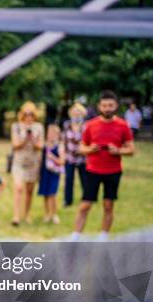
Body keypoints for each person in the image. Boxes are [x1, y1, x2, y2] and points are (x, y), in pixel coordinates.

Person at [71, 90, 135, 241]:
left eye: (110, 105)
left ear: (116, 106)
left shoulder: (123, 125)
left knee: (108, 205)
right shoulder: (91, 125)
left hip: (113, 171)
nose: (107, 108)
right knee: (85, 205)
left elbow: (131, 149)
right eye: (104, 105)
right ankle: (75, 237)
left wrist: (118, 150)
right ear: (99, 106)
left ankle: (103, 237)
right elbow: (80, 148)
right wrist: (89, 149)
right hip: (92, 171)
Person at [10, 101, 44, 226]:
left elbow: (40, 146)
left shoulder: (39, 127)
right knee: (18, 188)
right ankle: (16, 216)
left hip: (33, 163)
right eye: (26, 113)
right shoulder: (16, 126)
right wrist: (24, 140)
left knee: (29, 191)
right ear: (22, 114)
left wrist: (34, 141)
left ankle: (27, 214)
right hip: (19, 162)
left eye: (31, 113)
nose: (28, 116)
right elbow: (15, 145)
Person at [38, 124, 65, 224]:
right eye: (49, 133)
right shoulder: (45, 146)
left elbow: (62, 161)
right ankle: (47, 214)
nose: (51, 135)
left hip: (54, 173)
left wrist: (53, 157)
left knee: (52, 194)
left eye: (54, 133)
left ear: (58, 135)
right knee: (45, 194)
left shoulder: (59, 146)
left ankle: (54, 214)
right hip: (44, 173)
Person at [63, 103, 87, 207]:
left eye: (78, 112)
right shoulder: (67, 124)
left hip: (83, 157)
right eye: (74, 112)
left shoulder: (86, 126)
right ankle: (68, 200)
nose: (76, 114)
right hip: (69, 157)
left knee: (84, 179)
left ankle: (86, 198)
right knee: (69, 178)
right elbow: (63, 140)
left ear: (82, 113)